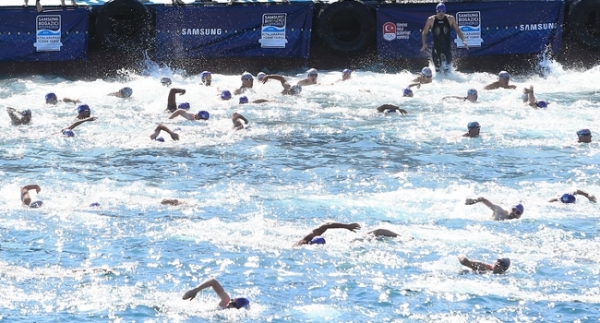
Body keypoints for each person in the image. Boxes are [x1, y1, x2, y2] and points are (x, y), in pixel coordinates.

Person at [420, 2, 468, 73]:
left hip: (447, 47)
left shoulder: (450, 19)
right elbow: (424, 33)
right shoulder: (431, 20)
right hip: (436, 47)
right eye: (439, 11)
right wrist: (424, 44)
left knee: (447, 69)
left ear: (445, 11)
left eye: (443, 11)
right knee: (437, 69)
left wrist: (463, 40)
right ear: (437, 11)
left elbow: (458, 30)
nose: (441, 13)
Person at [182, 278, 250, 309]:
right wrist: (196, 290)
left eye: (234, 304)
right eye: (232, 300)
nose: (230, 303)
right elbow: (213, 282)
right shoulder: (225, 301)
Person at [294, 222, 361, 246]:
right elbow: (327, 225)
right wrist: (347, 226)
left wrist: (347, 226)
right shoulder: (302, 243)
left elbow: (327, 225)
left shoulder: (310, 237)